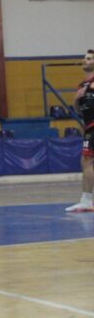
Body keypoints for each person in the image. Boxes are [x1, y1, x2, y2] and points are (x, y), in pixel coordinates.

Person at [66, 49, 94, 212]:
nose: (85, 60)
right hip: (88, 125)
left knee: (86, 160)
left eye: (89, 58)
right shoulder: (82, 85)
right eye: (85, 58)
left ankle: (86, 200)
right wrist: (76, 98)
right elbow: (78, 110)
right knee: (88, 161)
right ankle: (87, 200)